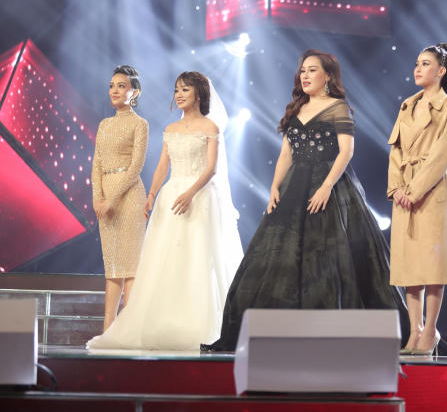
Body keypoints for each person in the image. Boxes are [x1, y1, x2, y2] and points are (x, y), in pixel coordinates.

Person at [201, 49, 409, 352]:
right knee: (276, 257)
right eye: (303, 71)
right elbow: (286, 154)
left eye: (312, 70)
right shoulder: (297, 108)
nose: (305, 75)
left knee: (331, 257)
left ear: (328, 76)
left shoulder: (337, 107)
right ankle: (272, 334)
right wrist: (274, 187)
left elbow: (346, 151)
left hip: (331, 185)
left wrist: (326, 187)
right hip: (294, 185)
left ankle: (332, 334)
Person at [87, 72, 243, 350]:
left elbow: (211, 168)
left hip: (199, 197)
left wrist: (191, 192)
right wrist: (151, 194)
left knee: (196, 257)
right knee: (165, 260)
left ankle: (200, 325)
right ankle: (163, 321)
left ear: (199, 94)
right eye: (177, 90)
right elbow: (162, 166)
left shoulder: (210, 127)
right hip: (171, 197)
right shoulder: (171, 129)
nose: (179, 95)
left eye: (185, 90)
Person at [387, 44, 447, 356]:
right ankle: (414, 330)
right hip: (404, 188)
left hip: (432, 188)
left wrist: (415, 190)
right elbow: (395, 149)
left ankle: (430, 330)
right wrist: (396, 187)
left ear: (441, 71)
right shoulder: (408, 105)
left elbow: (443, 154)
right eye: (417, 63)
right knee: (409, 265)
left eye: (425, 64)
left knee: (433, 264)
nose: (418, 69)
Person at [92, 65, 148, 332]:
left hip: (129, 198)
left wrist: (111, 200)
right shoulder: (104, 124)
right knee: (112, 266)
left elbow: (136, 166)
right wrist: (97, 198)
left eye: (121, 86)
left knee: (131, 266)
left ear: (134, 92)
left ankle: (129, 329)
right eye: (112, 85)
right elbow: (96, 163)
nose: (114, 90)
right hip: (104, 201)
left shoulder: (140, 124)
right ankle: (107, 330)